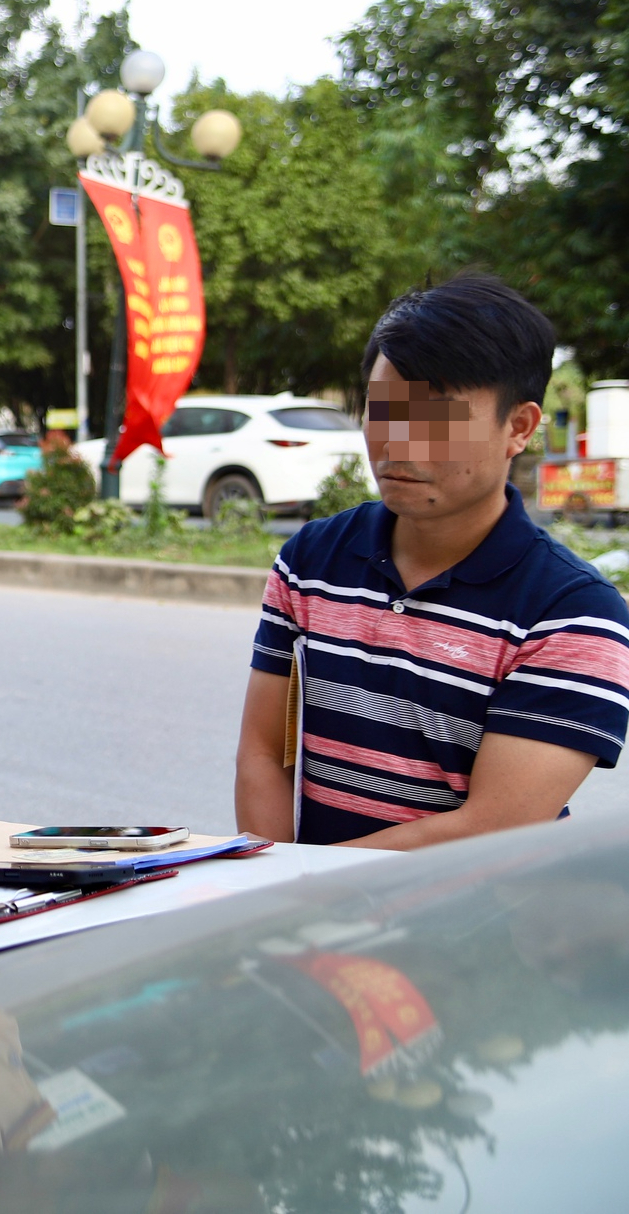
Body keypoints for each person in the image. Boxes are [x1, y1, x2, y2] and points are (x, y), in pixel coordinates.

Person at [235, 272, 629, 848]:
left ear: (518, 427)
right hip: (313, 923)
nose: (397, 442)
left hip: (478, 931)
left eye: (435, 418)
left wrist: (298, 891)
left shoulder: (574, 616)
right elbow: (265, 753)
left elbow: (493, 829)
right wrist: (272, 891)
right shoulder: (312, 561)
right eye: (382, 410)